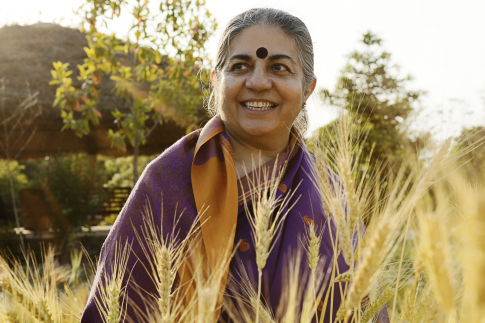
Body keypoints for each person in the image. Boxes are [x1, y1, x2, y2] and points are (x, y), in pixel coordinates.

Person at [82, 8, 388, 323]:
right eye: (240, 66)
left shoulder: (333, 198)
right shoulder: (167, 183)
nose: (257, 82)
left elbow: (367, 309)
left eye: (279, 68)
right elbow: (112, 309)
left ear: (308, 88)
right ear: (216, 81)